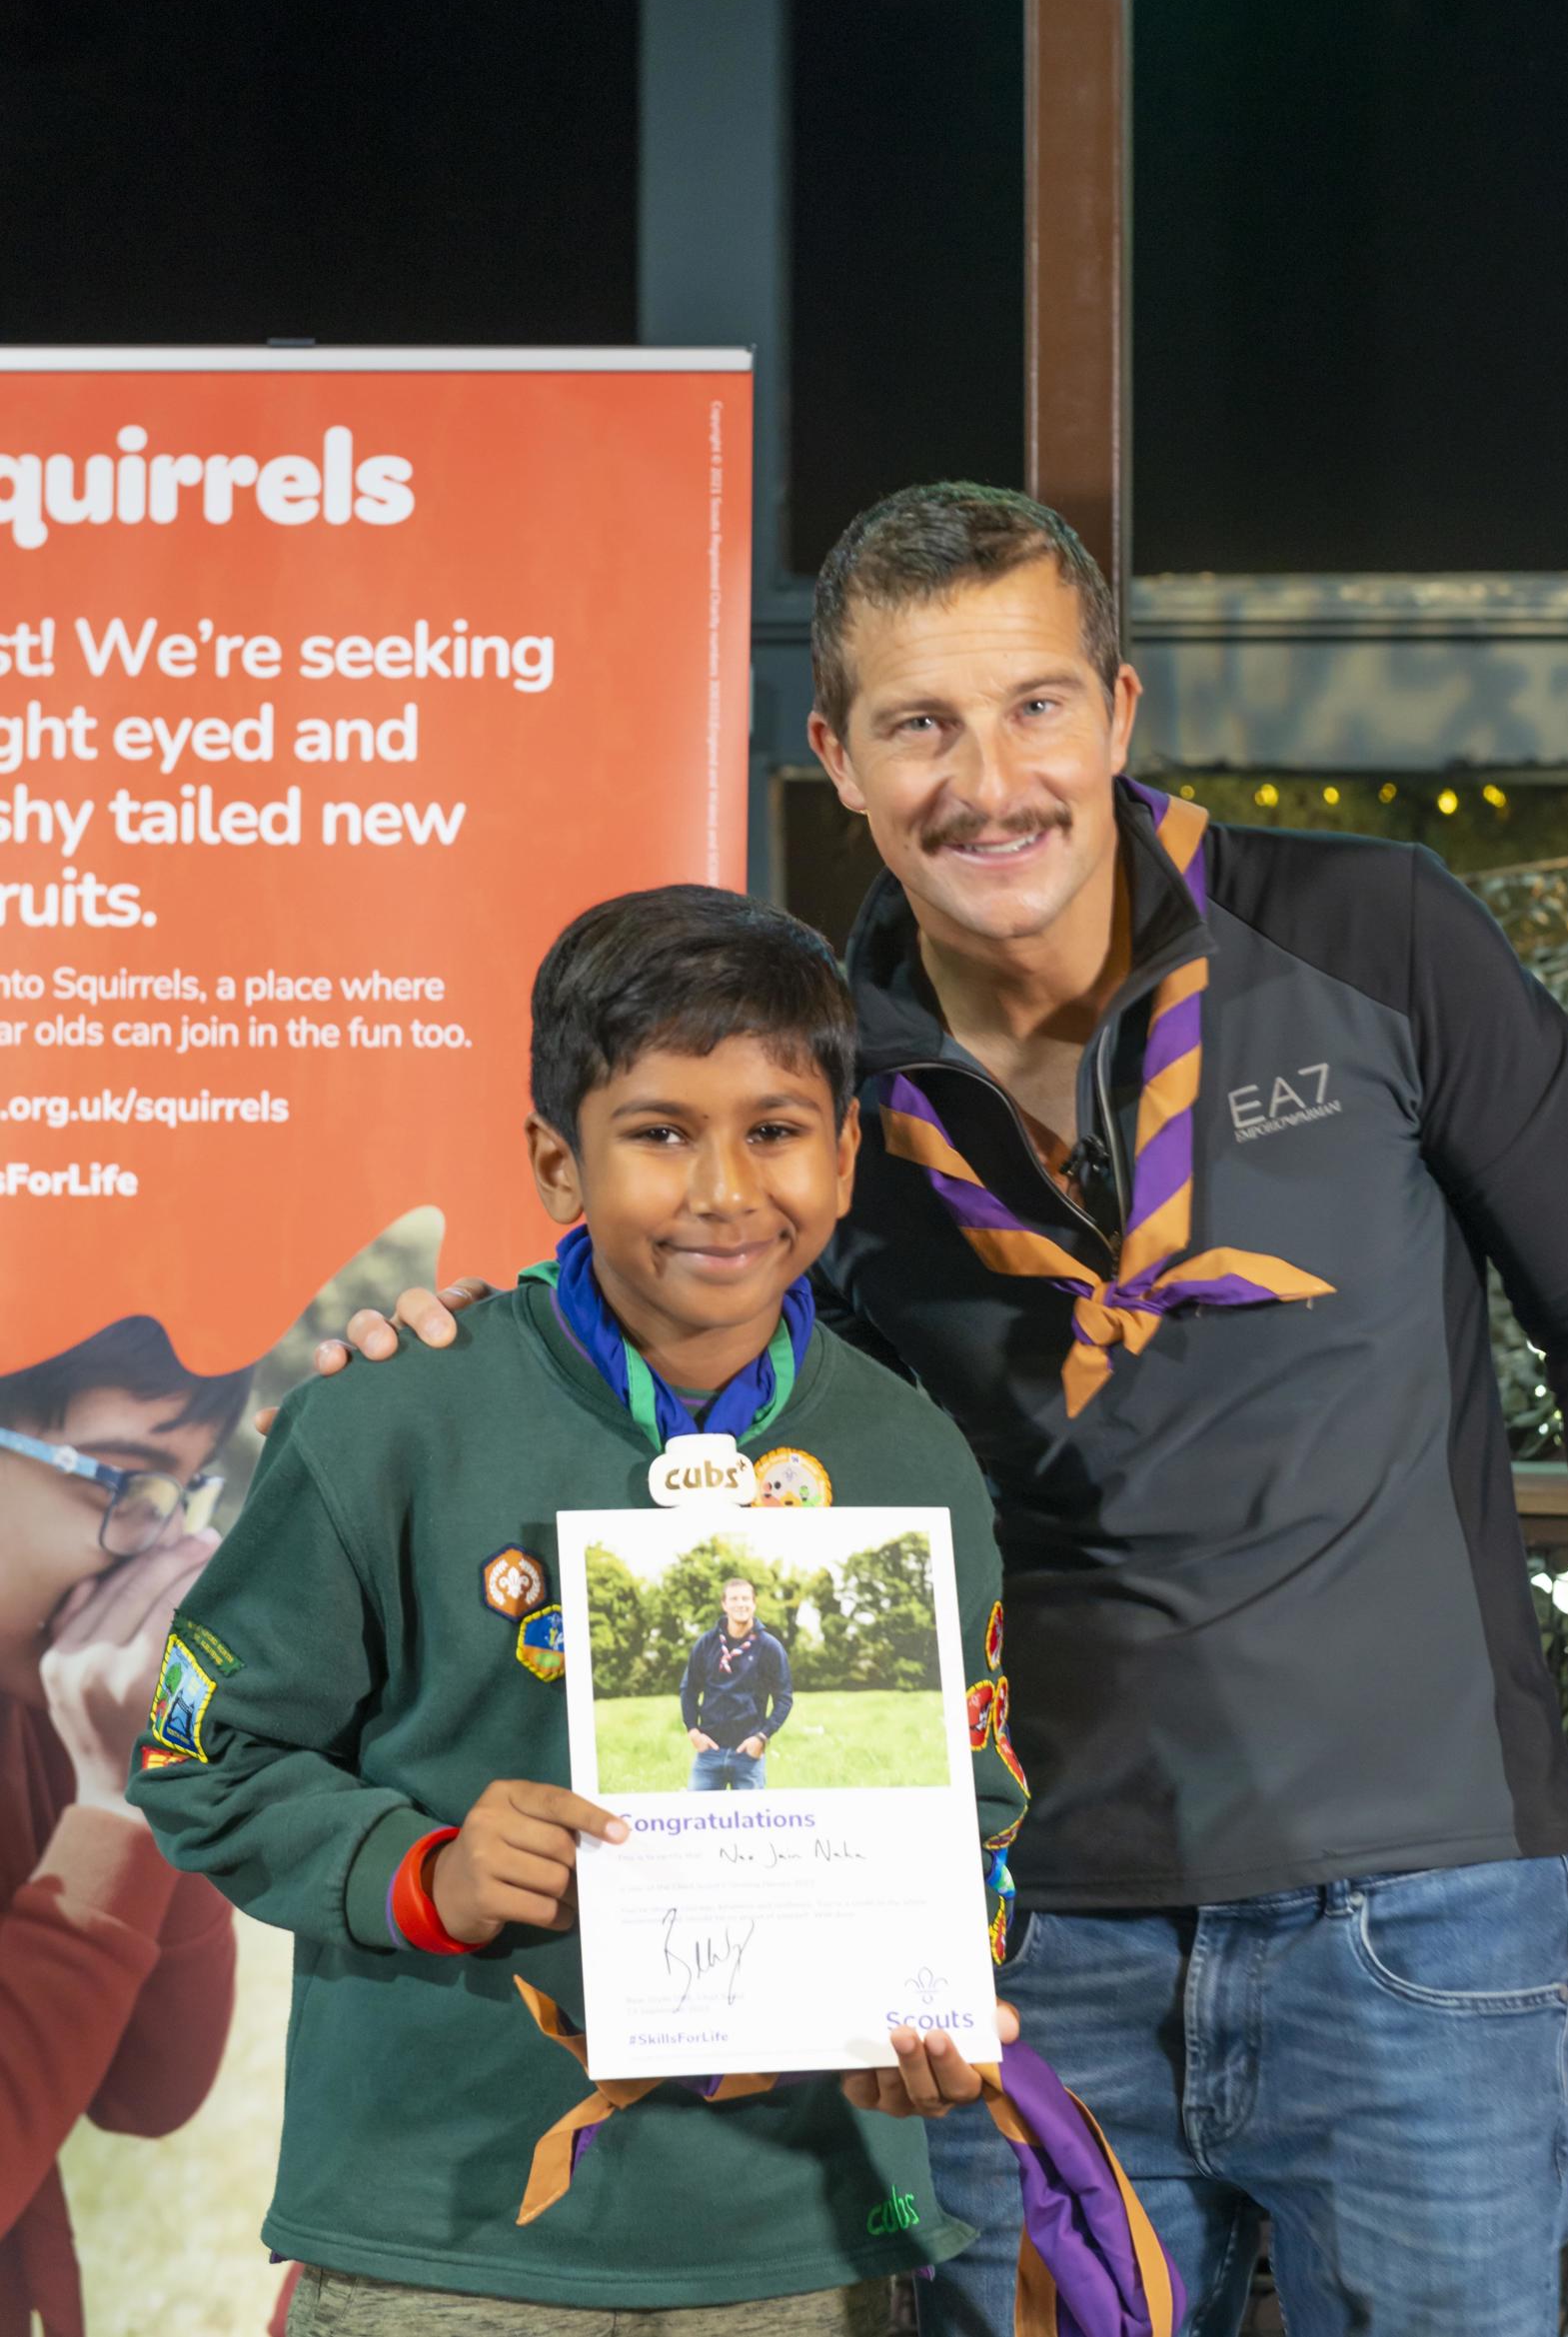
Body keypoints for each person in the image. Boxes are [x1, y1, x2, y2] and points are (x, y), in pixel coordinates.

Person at [318, 483, 1568, 2336]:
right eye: (921, 724)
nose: (991, 779)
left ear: (1119, 714)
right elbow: (679, 1385)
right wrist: (439, 1356)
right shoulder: (811, 1071)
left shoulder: (1371, 935)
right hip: (1009, 1930)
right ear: (834, 755)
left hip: (1422, 1907)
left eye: (1035, 706)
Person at [132, 885, 1030, 2337]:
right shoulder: (391, 1423)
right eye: (661, 1133)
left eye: (776, 1130)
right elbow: (199, 1755)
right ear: (560, 1160)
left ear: (847, 1154)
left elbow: (974, 1807)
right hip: (446, 2239)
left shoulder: (912, 1459)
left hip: (799, 2240)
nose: (726, 1188)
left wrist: (941, 1983)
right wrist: (424, 1869)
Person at [0, 1315, 245, 2337]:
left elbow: (150, 2092)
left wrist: (147, 1783)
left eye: (185, 1496)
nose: (170, 1552)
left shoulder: (39, 1703)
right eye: (121, 1483)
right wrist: (108, 1810)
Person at [682, 1576, 792, 1789]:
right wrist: (693, 1732)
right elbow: (689, 1690)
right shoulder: (706, 1643)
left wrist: (762, 1737)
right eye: (734, 1599)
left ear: (754, 1603)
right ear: (724, 1604)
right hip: (709, 1754)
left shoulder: (769, 1647)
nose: (740, 1604)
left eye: (745, 1598)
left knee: (754, 1820)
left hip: (748, 1754)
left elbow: (784, 1699)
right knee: (698, 1818)